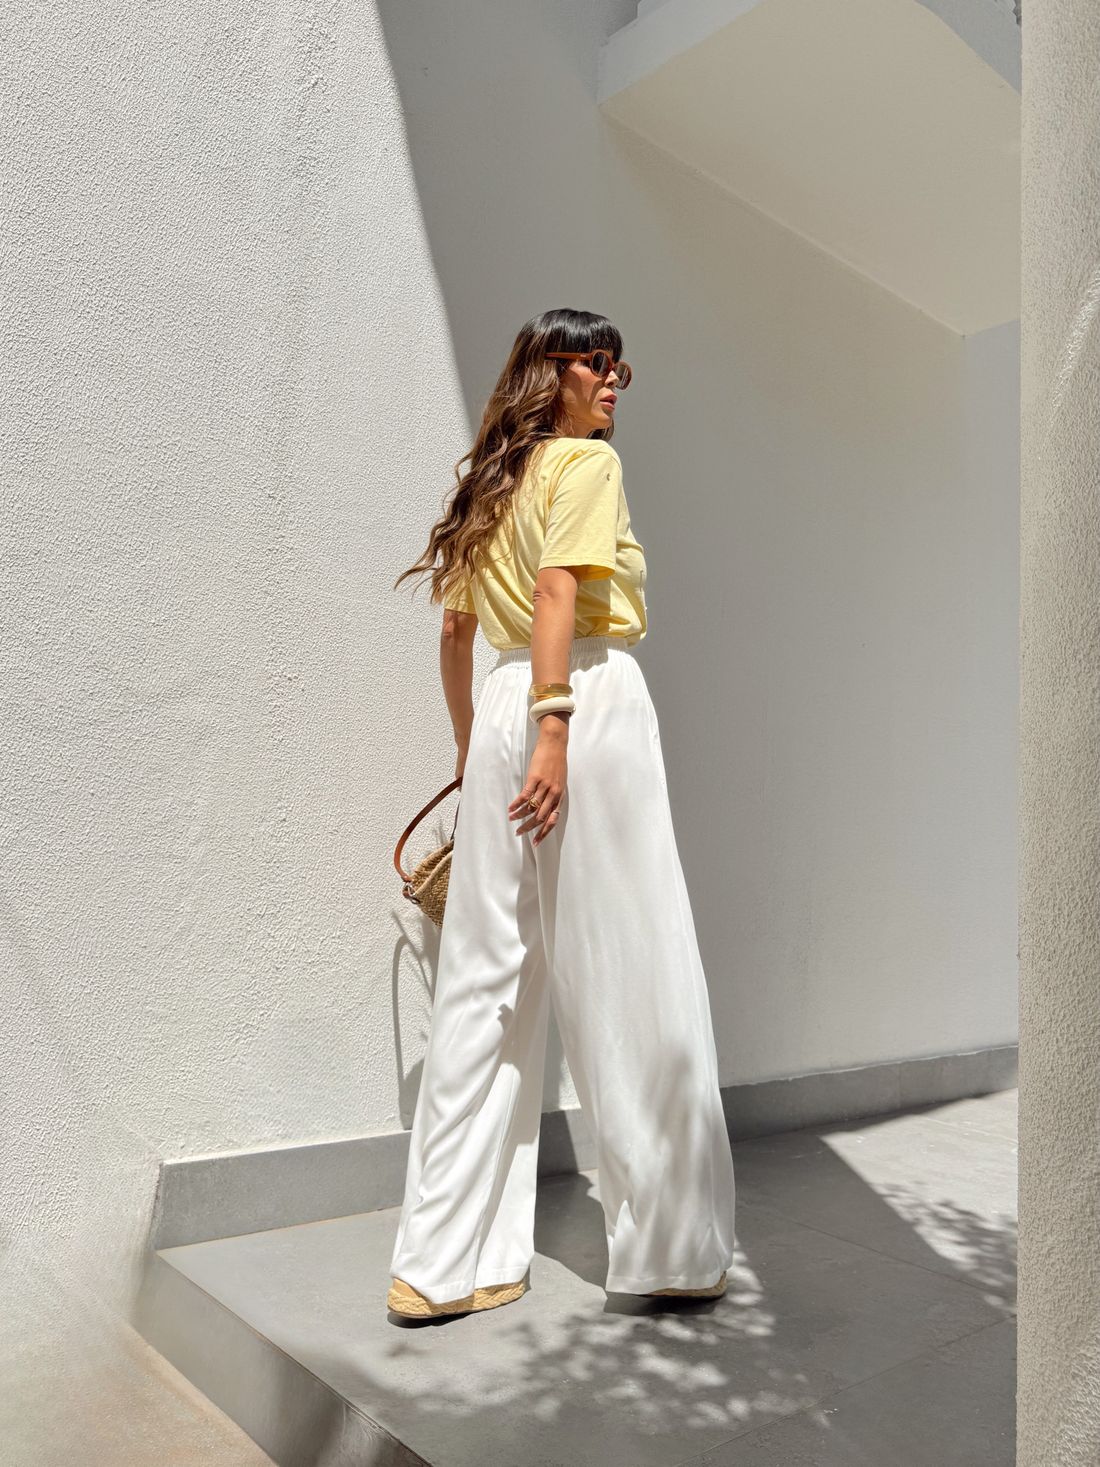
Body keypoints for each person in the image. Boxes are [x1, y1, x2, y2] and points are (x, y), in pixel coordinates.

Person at [388, 308, 736, 1319]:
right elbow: (555, 590)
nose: (612, 379)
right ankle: (669, 1246)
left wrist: (475, 745)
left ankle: (441, 1266)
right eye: (594, 361)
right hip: (579, 703)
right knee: (629, 957)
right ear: (550, 374)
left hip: (504, 701)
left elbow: (455, 634)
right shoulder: (585, 464)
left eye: (620, 364)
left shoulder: (488, 486)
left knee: (484, 978)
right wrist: (552, 724)